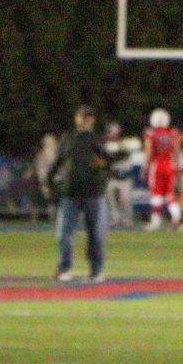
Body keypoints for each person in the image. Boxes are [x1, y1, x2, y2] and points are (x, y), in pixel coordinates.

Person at [51, 106, 109, 282]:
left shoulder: (96, 139)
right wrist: (49, 181)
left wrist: (102, 167)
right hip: (71, 192)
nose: (84, 120)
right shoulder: (69, 138)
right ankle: (64, 268)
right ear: (77, 119)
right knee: (64, 233)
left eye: (88, 117)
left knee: (96, 234)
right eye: (82, 117)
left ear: (92, 120)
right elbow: (59, 161)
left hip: (93, 192)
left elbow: (108, 161)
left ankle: (96, 270)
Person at [144, 108, 181, 230]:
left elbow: (149, 151)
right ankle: (176, 216)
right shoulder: (172, 132)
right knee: (169, 194)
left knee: (156, 194)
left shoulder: (151, 133)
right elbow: (176, 150)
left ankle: (156, 221)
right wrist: (177, 165)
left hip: (157, 165)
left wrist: (145, 167)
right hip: (170, 165)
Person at [103, 122, 137, 228]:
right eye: (110, 132)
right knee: (109, 197)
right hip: (112, 176)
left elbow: (125, 153)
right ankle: (114, 218)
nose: (111, 134)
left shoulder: (124, 144)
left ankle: (127, 220)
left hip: (125, 177)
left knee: (126, 199)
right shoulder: (106, 145)